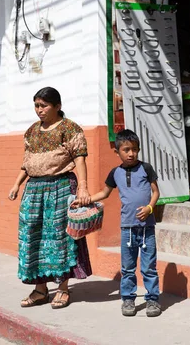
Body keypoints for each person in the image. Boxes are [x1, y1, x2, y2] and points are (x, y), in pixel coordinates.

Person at [9, 87, 92, 309]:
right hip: (34, 190)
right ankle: (40, 290)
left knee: (59, 239)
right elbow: (27, 162)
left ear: (57, 106)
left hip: (61, 187)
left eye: (44, 105)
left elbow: (80, 160)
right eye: (36, 105)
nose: (39, 110)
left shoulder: (70, 129)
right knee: (32, 237)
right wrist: (17, 184)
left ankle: (63, 289)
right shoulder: (31, 132)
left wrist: (83, 188)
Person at [72, 129, 161, 317]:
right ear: (117, 151)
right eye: (126, 149)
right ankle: (128, 299)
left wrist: (150, 209)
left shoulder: (146, 168)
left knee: (149, 267)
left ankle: (152, 299)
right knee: (127, 267)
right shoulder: (115, 173)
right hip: (127, 228)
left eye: (135, 149)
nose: (131, 153)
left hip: (147, 229)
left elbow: (156, 193)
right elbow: (104, 193)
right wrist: (84, 200)